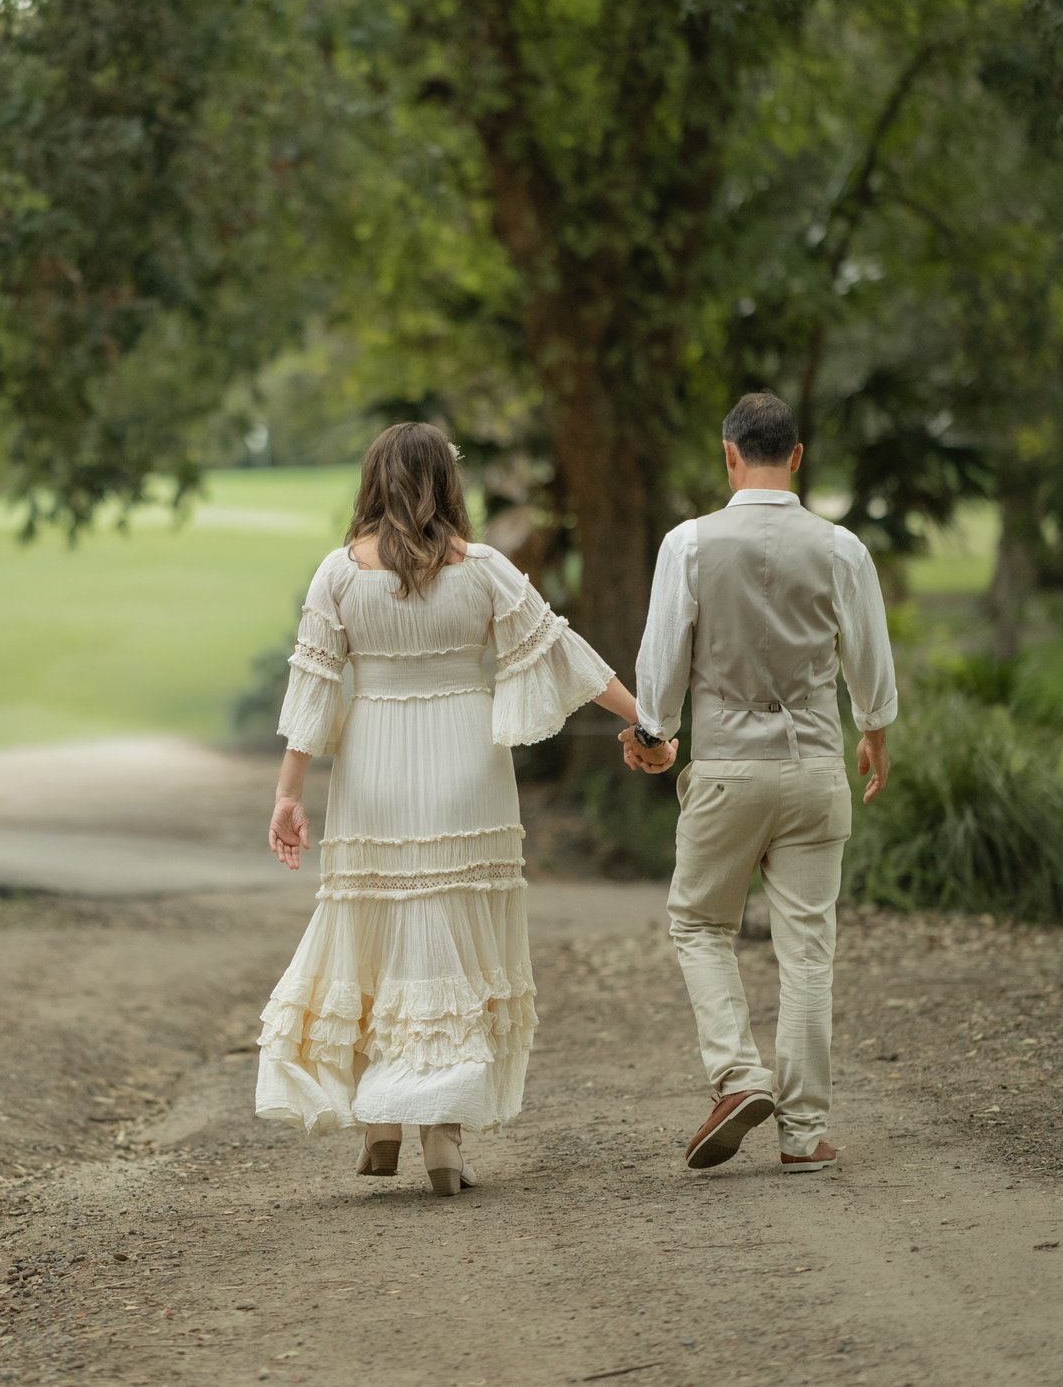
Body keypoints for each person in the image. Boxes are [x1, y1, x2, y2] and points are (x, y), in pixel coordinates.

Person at [254, 422, 641, 1195]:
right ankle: (442, 1134)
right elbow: (562, 651)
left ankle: (383, 1123)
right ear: (448, 486)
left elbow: (314, 689)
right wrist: (644, 717)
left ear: (372, 484)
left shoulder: (338, 574)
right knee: (452, 934)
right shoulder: (486, 569)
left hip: (377, 764)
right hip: (467, 760)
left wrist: (289, 793)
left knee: (380, 923)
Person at [620, 391, 897, 1174]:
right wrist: (874, 730)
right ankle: (803, 1134)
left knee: (700, 923)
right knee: (808, 950)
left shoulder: (691, 544)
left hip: (730, 768)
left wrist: (655, 734)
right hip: (814, 766)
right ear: (798, 456)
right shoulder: (840, 548)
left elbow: (664, 654)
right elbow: (869, 656)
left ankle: (740, 1076)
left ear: (729, 454)